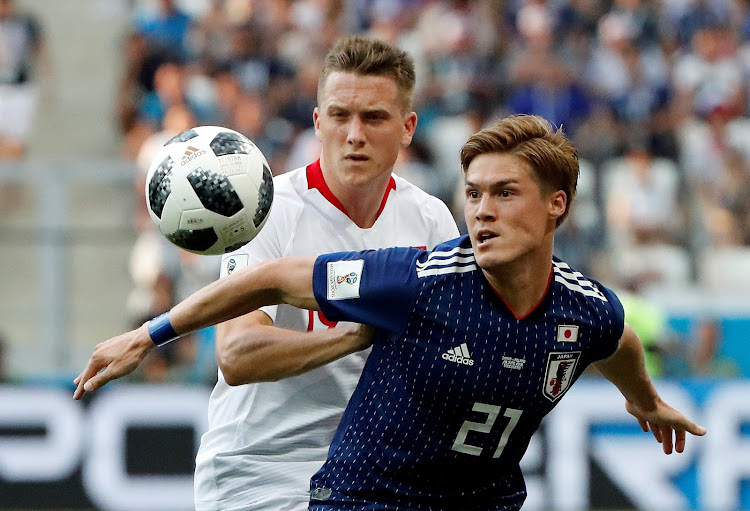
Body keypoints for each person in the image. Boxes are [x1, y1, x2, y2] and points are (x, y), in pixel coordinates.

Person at [75, 114, 705, 510]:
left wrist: (644, 401)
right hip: (367, 501)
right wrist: (149, 334)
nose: (482, 209)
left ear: (556, 206)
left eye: (505, 193)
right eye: (475, 193)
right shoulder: (418, 279)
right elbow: (271, 279)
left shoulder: (583, 308)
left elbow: (615, 338)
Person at [75, 35, 459, 511]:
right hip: (263, 471)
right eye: (340, 115)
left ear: (407, 128)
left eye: (374, 117)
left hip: (370, 470)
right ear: (318, 123)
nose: (354, 134)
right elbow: (237, 353)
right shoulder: (266, 210)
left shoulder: (431, 220)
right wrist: (354, 338)